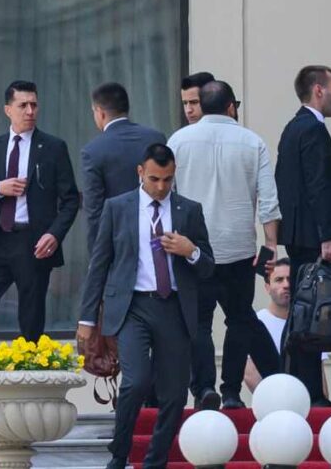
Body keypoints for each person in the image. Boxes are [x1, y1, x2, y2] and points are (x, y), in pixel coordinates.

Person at [77, 144, 214, 469]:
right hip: (132, 307)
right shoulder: (117, 208)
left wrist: (191, 251)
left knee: (175, 394)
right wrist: (86, 318)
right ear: (141, 172)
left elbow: (209, 267)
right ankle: (119, 453)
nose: (161, 187)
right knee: (136, 381)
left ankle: (155, 461)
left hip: (174, 308)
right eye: (154, 179)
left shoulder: (189, 210)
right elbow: (99, 264)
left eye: (168, 179)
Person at [168, 80, 282, 410]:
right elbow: (268, 200)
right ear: (231, 106)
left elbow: (166, 194)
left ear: (201, 105)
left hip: (193, 249)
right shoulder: (252, 142)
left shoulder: (179, 141)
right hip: (239, 249)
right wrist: (271, 245)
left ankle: (203, 388)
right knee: (239, 320)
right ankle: (231, 391)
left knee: (199, 324)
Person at [0, 80, 79, 352]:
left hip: (33, 243)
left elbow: (71, 199)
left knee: (31, 321)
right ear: (8, 110)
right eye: (23, 105)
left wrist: (54, 234)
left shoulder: (52, 147)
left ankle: (29, 371)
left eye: (34, 105)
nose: (30, 111)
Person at [275, 65, 331, 407]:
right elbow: (318, 186)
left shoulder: (293, 128)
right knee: (310, 316)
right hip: (314, 239)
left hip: (301, 235)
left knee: (304, 314)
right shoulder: (311, 129)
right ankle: (307, 392)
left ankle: (301, 389)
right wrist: (327, 236)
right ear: (318, 90)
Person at [81, 82, 167, 254]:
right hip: (157, 233)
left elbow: (94, 209)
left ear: (100, 112)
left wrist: (96, 254)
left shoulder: (93, 150)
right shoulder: (156, 138)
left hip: (118, 240)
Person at [242, 258, 329, 395]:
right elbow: (249, 373)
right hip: (271, 403)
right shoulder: (256, 322)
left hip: (304, 403)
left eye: (290, 279)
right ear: (267, 287)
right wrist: (276, 400)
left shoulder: (309, 323)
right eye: (279, 280)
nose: (286, 285)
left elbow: (319, 374)